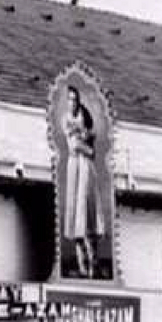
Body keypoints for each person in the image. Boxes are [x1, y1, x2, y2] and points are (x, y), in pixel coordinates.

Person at [60, 85, 105, 278]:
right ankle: (82, 265)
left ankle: (93, 263)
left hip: (85, 168)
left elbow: (90, 150)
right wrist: (83, 144)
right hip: (74, 168)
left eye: (75, 99)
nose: (73, 102)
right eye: (70, 99)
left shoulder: (84, 119)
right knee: (75, 219)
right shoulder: (66, 120)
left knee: (86, 213)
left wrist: (86, 142)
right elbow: (74, 145)